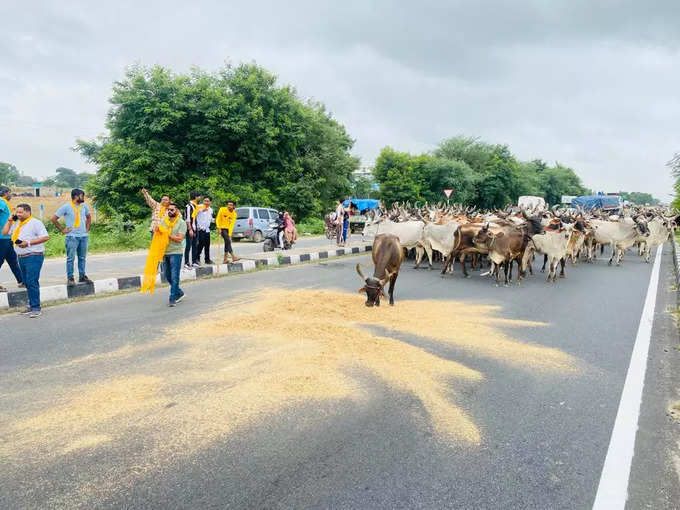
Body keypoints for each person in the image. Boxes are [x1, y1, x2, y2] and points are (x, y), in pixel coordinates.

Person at [141, 202, 187, 306]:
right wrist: (157, 230)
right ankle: (179, 293)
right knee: (167, 275)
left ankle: (172, 298)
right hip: (164, 252)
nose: (170, 211)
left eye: (172, 210)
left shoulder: (181, 223)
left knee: (175, 276)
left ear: (177, 211)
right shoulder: (164, 221)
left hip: (176, 252)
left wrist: (167, 234)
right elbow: (158, 232)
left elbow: (179, 239)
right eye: (168, 210)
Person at [7, 204, 49, 318]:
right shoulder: (17, 224)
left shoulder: (35, 223)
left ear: (28, 212)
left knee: (32, 281)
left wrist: (28, 243)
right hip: (21, 257)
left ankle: (36, 307)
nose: (18, 214)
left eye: (20, 212)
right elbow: (5, 232)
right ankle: (31, 305)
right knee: (26, 282)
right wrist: (10, 220)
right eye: (17, 212)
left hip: (33, 256)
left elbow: (45, 237)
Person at [52, 188, 91, 286]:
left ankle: (82, 276)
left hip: (83, 236)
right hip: (72, 237)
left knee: (82, 257)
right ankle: (70, 278)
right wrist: (62, 229)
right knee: (71, 258)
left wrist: (87, 228)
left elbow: (89, 217)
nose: (83, 198)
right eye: (82, 196)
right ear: (76, 196)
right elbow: (54, 219)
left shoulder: (84, 207)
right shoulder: (66, 207)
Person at [0, 186, 23, 291]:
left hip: (8, 237)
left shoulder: (5, 203)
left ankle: (21, 281)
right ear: (5, 193)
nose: (11, 195)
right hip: (2, 237)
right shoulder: (1, 202)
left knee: (13, 260)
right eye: (10, 192)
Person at [184, 191, 201, 269]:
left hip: (195, 228)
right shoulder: (189, 206)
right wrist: (190, 229)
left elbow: (194, 218)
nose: (200, 198)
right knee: (188, 246)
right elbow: (187, 219)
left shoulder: (195, 206)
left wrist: (197, 226)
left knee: (195, 245)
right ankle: (186, 263)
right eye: (199, 196)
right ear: (196, 197)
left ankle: (194, 262)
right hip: (190, 229)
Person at [195, 196, 214, 265]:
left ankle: (207, 259)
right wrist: (197, 226)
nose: (206, 202)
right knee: (200, 244)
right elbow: (194, 216)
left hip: (207, 229)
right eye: (205, 201)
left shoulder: (211, 209)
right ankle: (197, 258)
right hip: (200, 229)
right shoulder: (199, 207)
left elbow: (210, 218)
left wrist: (214, 220)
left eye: (207, 201)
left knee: (207, 245)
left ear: (210, 202)